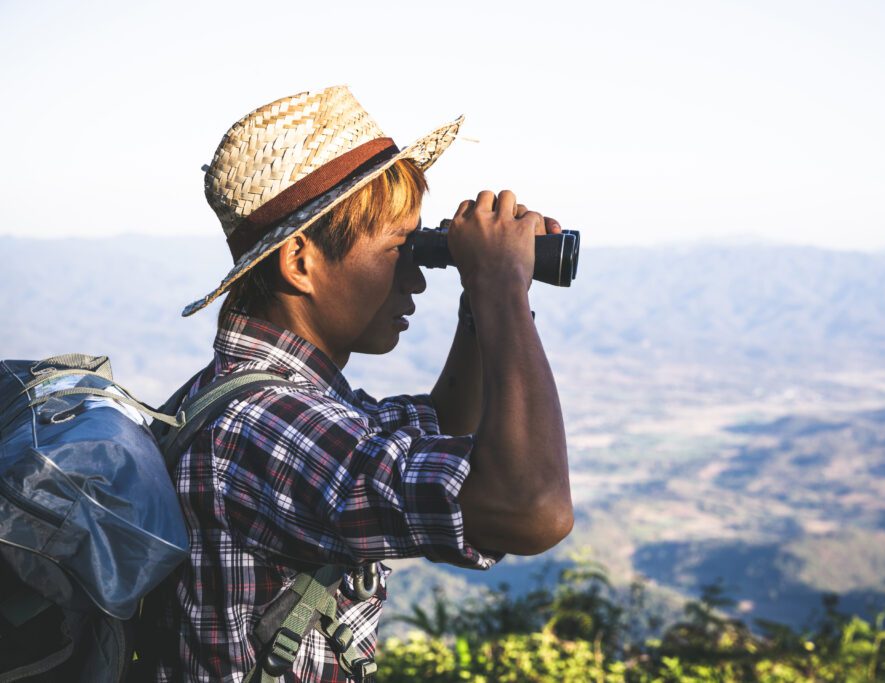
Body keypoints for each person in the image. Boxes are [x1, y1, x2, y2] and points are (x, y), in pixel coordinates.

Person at [141, 85, 573, 682]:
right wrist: (501, 289)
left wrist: (483, 298)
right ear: (299, 262)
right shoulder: (263, 424)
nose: (417, 281)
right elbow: (532, 510)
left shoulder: (253, 397)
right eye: (402, 247)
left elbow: (443, 425)